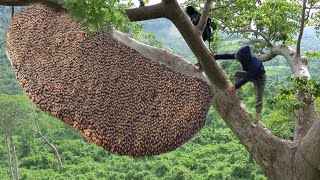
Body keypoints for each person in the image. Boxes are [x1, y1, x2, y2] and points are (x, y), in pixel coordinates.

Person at [214, 46, 266, 127]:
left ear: (244, 58)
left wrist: (236, 86)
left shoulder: (254, 63)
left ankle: (256, 121)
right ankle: (240, 93)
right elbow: (229, 56)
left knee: (259, 99)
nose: (237, 59)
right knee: (237, 74)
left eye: (238, 58)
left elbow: (247, 78)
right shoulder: (242, 56)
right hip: (252, 76)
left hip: (260, 80)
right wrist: (215, 57)